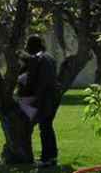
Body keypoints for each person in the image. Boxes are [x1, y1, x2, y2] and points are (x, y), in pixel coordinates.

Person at [23, 35, 62, 168]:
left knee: (44, 127)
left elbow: (33, 80)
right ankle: (51, 156)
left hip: (45, 96)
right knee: (47, 126)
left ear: (32, 46)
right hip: (54, 95)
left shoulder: (37, 58)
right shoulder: (49, 57)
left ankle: (47, 158)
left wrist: (30, 96)